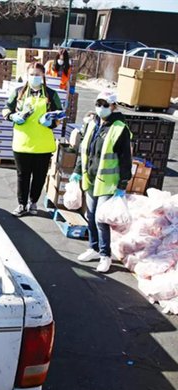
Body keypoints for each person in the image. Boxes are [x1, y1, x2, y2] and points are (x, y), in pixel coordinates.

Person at [70, 91, 132, 273]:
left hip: (107, 182)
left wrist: (123, 184)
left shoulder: (120, 128)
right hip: (90, 179)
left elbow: (125, 158)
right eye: (99, 103)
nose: (101, 107)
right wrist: (76, 172)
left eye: (106, 104)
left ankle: (105, 255)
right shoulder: (92, 124)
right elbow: (84, 150)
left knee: (100, 219)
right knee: (90, 216)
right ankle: (94, 248)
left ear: (113, 106)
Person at [2, 62, 63, 217]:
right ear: (26, 76)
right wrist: (12, 116)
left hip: (43, 144)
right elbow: (6, 109)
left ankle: (33, 202)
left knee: (39, 176)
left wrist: (51, 122)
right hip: (22, 143)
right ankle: (21, 204)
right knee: (23, 175)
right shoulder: (18, 93)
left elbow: (59, 115)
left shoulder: (51, 94)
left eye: (37, 74)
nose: (34, 77)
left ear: (43, 76)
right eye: (32, 74)